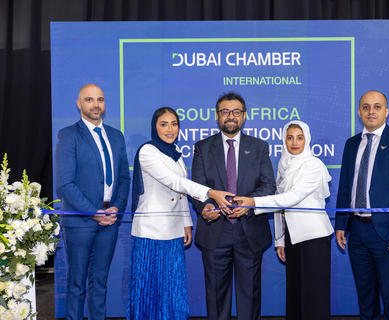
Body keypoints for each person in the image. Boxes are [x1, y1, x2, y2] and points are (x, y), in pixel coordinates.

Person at [127, 107, 233, 320]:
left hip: (174, 230)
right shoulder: (147, 151)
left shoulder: (175, 152)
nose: (170, 129)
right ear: (154, 127)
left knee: (172, 286)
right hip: (152, 232)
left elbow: (180, 193)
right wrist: (210, 192)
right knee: (150, 288)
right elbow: (174, 182)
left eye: (174, 124)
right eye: (163, 124)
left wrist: (186, 223)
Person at [235, 120, 334, 320]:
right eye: (290, 138)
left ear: (307, 140)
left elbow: (292, 197)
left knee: (314, 298)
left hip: (313, 238)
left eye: (299, 137)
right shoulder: (284, 165)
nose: (294, 142)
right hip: (292, 237)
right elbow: (281, 208)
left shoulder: (313, 165)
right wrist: (280, 240)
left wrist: (253, 202)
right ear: (284, 140)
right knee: (295, 294)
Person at [335, 90, 389, 320]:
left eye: (377, 106)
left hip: (387, 233)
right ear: (359, 112)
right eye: (365, 107)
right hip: (357, 230)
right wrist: (341, 224)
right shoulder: (351, 144)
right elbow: (345, 187)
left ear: (386, 111)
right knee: (365, 295)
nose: (371, 111)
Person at [191, 91, 276, 320]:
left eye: (236, 111)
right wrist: (207, 208)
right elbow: (198, 188)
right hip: (214, 229)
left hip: (250, 230)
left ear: (244, 115)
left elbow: (269, 186)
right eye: (225, 112)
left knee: (249, 296)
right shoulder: (202, 147)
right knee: (216, 297)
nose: (231, 116)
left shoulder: (259, 147)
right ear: (217, 116)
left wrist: (248, 204)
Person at [55, 84, 130, 320]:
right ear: (79, 104)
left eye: (100, 99)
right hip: (80, 222)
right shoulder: (68, 135)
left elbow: (124, 178)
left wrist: (116, 208)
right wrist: (93, 211)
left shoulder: (116, 136)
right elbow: (65, 184)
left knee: (100, 283)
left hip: (110, 220)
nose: (95, 104)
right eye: (89, 100)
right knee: (76, 285)